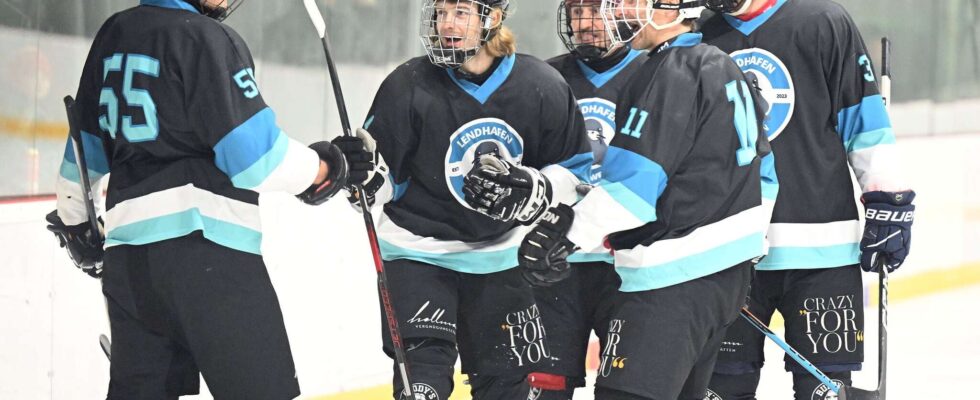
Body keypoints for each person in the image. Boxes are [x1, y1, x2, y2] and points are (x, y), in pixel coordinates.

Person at [43, 1, 370, 399]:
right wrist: (325, 168)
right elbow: (257, 161)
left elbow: (82, 158)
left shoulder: (114, 32)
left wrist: (76, 221)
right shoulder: (206, 37)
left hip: (129, 267)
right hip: (209, 257)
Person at [518, 0, 778, 398]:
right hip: (724, 278)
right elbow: (765, 173)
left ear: (671, 7)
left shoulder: (669, 72)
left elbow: (632, 194)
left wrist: (562, 232)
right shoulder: (720, 63)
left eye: (630, 3)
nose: (617, 14)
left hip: (672, 282)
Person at [344, 0, 594, 398]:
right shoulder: (407, 83)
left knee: (507, 389)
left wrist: (537, 188)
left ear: (491, 19)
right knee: (421, 386)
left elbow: (576, 169)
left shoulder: (540, 84)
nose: (446, 23)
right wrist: (364, 181)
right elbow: (385, 179)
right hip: (419, 253)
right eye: (440, 12)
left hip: (502, 258)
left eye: (460, 12)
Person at [698, 1, 916, 399]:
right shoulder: (698, 34)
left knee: (823, 391)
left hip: (823, 254)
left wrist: (888, 199)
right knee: (719, 389)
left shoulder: (822, 21)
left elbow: (863, 119)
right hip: (727, 253)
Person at [525, 1, 647, 397]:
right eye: (578, 11)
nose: (585, 23)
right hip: (553, 263)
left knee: (624, 388)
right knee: (545, 387)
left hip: (628, 264)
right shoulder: (543, 77)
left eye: (596, 10)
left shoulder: (656, 75)